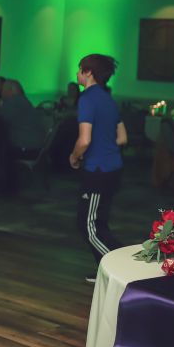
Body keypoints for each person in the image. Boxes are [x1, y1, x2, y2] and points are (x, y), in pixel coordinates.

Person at [68, 54, 127, 282]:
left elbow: (84, 140)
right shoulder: (108, 99)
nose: (77, 73)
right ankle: (109, 272)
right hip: (113, 168)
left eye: (79, 69)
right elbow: (122, 138)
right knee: (99, 223)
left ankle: (119, 271)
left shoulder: (87, 98)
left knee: (88, 226)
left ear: (88, 72)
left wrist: (74, 157)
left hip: (98, 170)